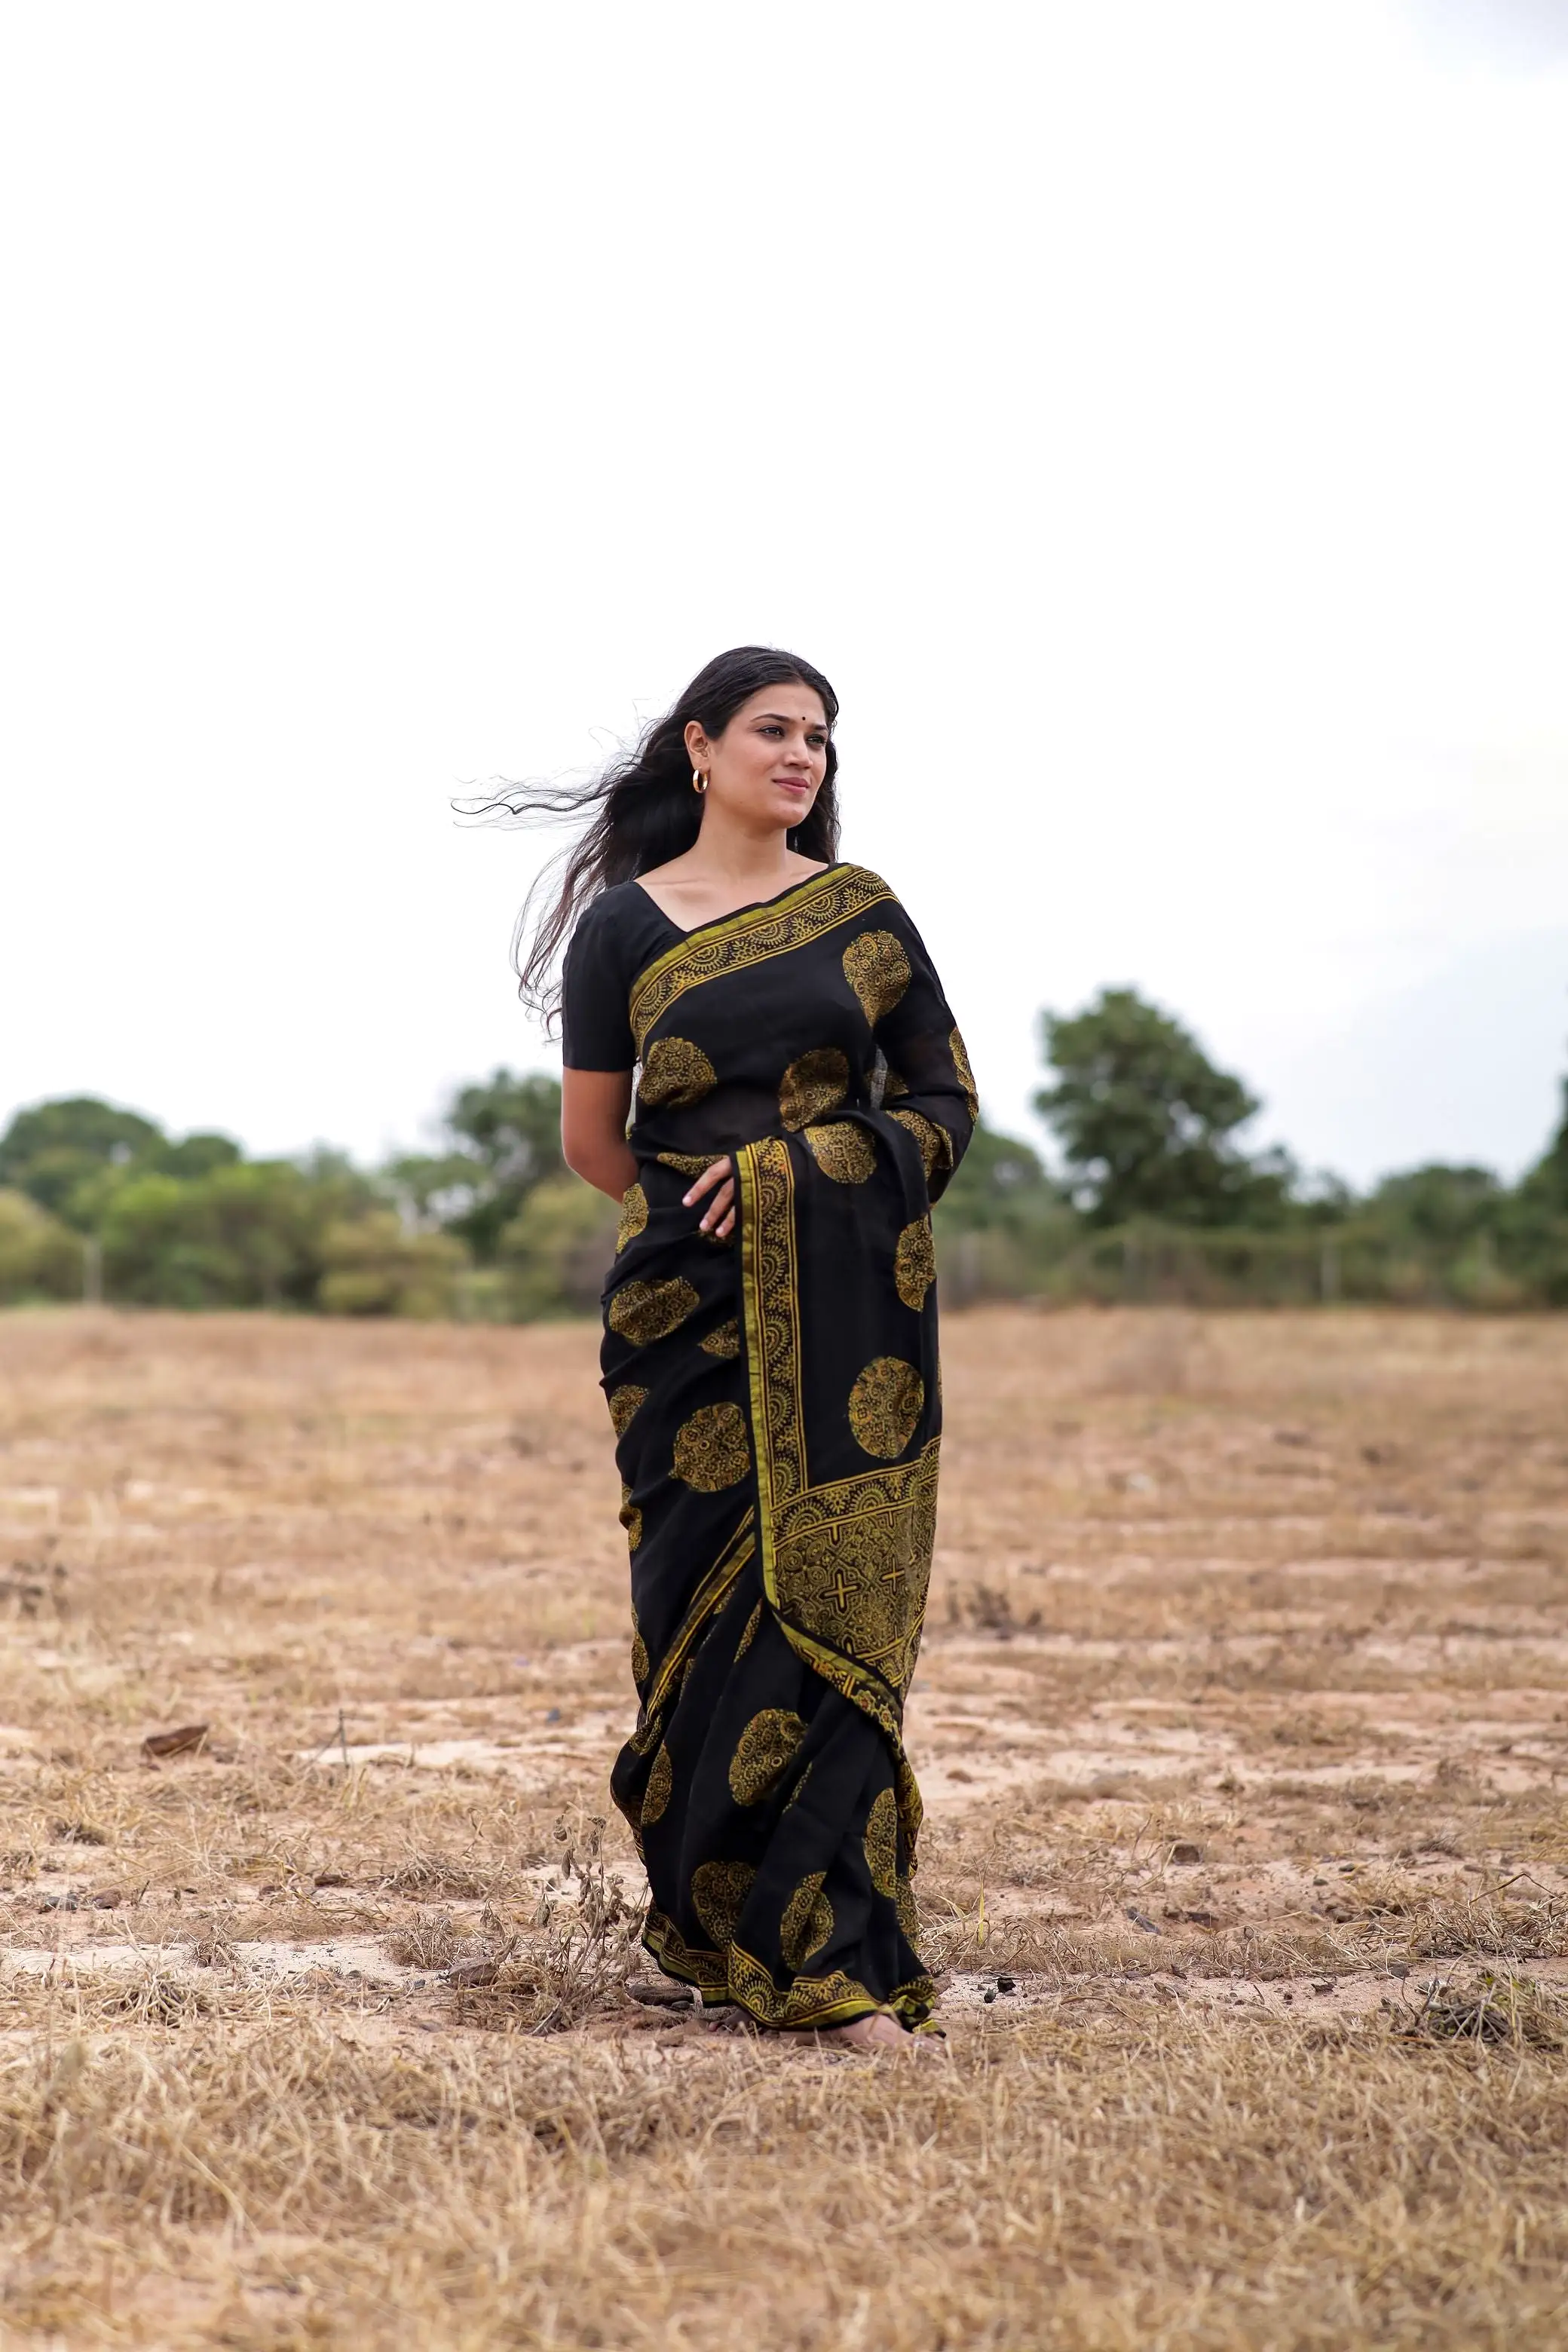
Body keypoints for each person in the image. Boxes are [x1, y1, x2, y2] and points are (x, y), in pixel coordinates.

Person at [510, 645, 975, 2048]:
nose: (804, 757)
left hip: (848, 1317)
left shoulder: (863, 919)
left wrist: (796, 1188)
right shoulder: (625, 931)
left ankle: (828, 1955)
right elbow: (600, 1143)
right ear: (700, 750)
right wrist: (714, 1233)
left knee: (822, 1615)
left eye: (821, 740)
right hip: (684, 1325)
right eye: (775, 731)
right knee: (694, 1616)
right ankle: (721, 1930)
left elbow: (947, 1101)